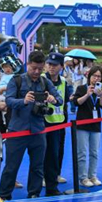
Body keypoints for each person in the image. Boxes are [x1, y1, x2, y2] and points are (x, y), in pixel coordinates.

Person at [0, 50, 62, 200]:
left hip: (38, 130)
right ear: (28, 65)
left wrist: (53, 99)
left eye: (40, 69)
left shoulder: (45, 81)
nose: (36, 71)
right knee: (11, 166)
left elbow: (60, 99)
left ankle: (34, 194)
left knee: (37, 167)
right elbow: (8, 101)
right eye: (34, 68)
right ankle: (4, 195)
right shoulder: (16, 80)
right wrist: (24, 101)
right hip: (17, 131)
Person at [71, 66, 102, 187]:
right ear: (89, 76)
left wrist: (101, 95)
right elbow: (76, 102)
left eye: (99, 76)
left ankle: (93, 175)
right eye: (94, 76)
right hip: (82, 124)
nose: (96, 78)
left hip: (96, 125)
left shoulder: (100, 90)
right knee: (82, 152)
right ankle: (83, 177)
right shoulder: (81, 88)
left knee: (94, 152)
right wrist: (87, 94)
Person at [43, 52, 72, 194]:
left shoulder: (64, 81)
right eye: (49, 64)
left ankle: (53, 178)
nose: (51, 67)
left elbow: (65, 101)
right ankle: (43, 178)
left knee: (56, 153)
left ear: (61, 66)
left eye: (54, 65)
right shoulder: (41, 79)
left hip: (59, 122)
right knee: (42, 152)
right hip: (43, 122)